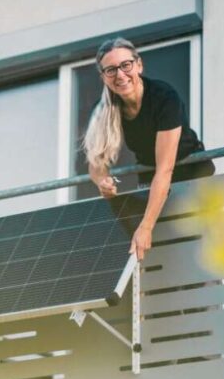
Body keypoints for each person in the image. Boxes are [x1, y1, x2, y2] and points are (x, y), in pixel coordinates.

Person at [84, 37, 214, 261]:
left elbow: (165, 169)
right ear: (103, 77)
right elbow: (95, 167)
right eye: (111, 70)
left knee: (195, 247)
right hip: (150, 175)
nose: (120, 75)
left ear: (139, 65)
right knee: (162, 252)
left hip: (191, 172)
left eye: (126, 65)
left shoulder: (164, 97)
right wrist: (103, 182)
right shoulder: (103, 109)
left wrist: (146, 226)